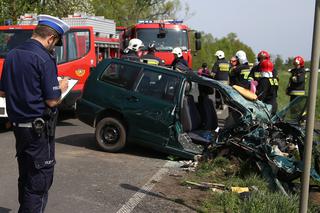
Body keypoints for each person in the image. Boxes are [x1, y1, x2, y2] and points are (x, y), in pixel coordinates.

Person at [0, 15, 69, 212]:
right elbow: (52, 100)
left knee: (26, 176)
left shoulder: (12, 54)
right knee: (38, 183)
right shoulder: (44, 58)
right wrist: (62, 86)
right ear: (51, 39)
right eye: (55, 44)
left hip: (19, 128)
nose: (53, 48)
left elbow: (3, 91)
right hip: (38, 131)